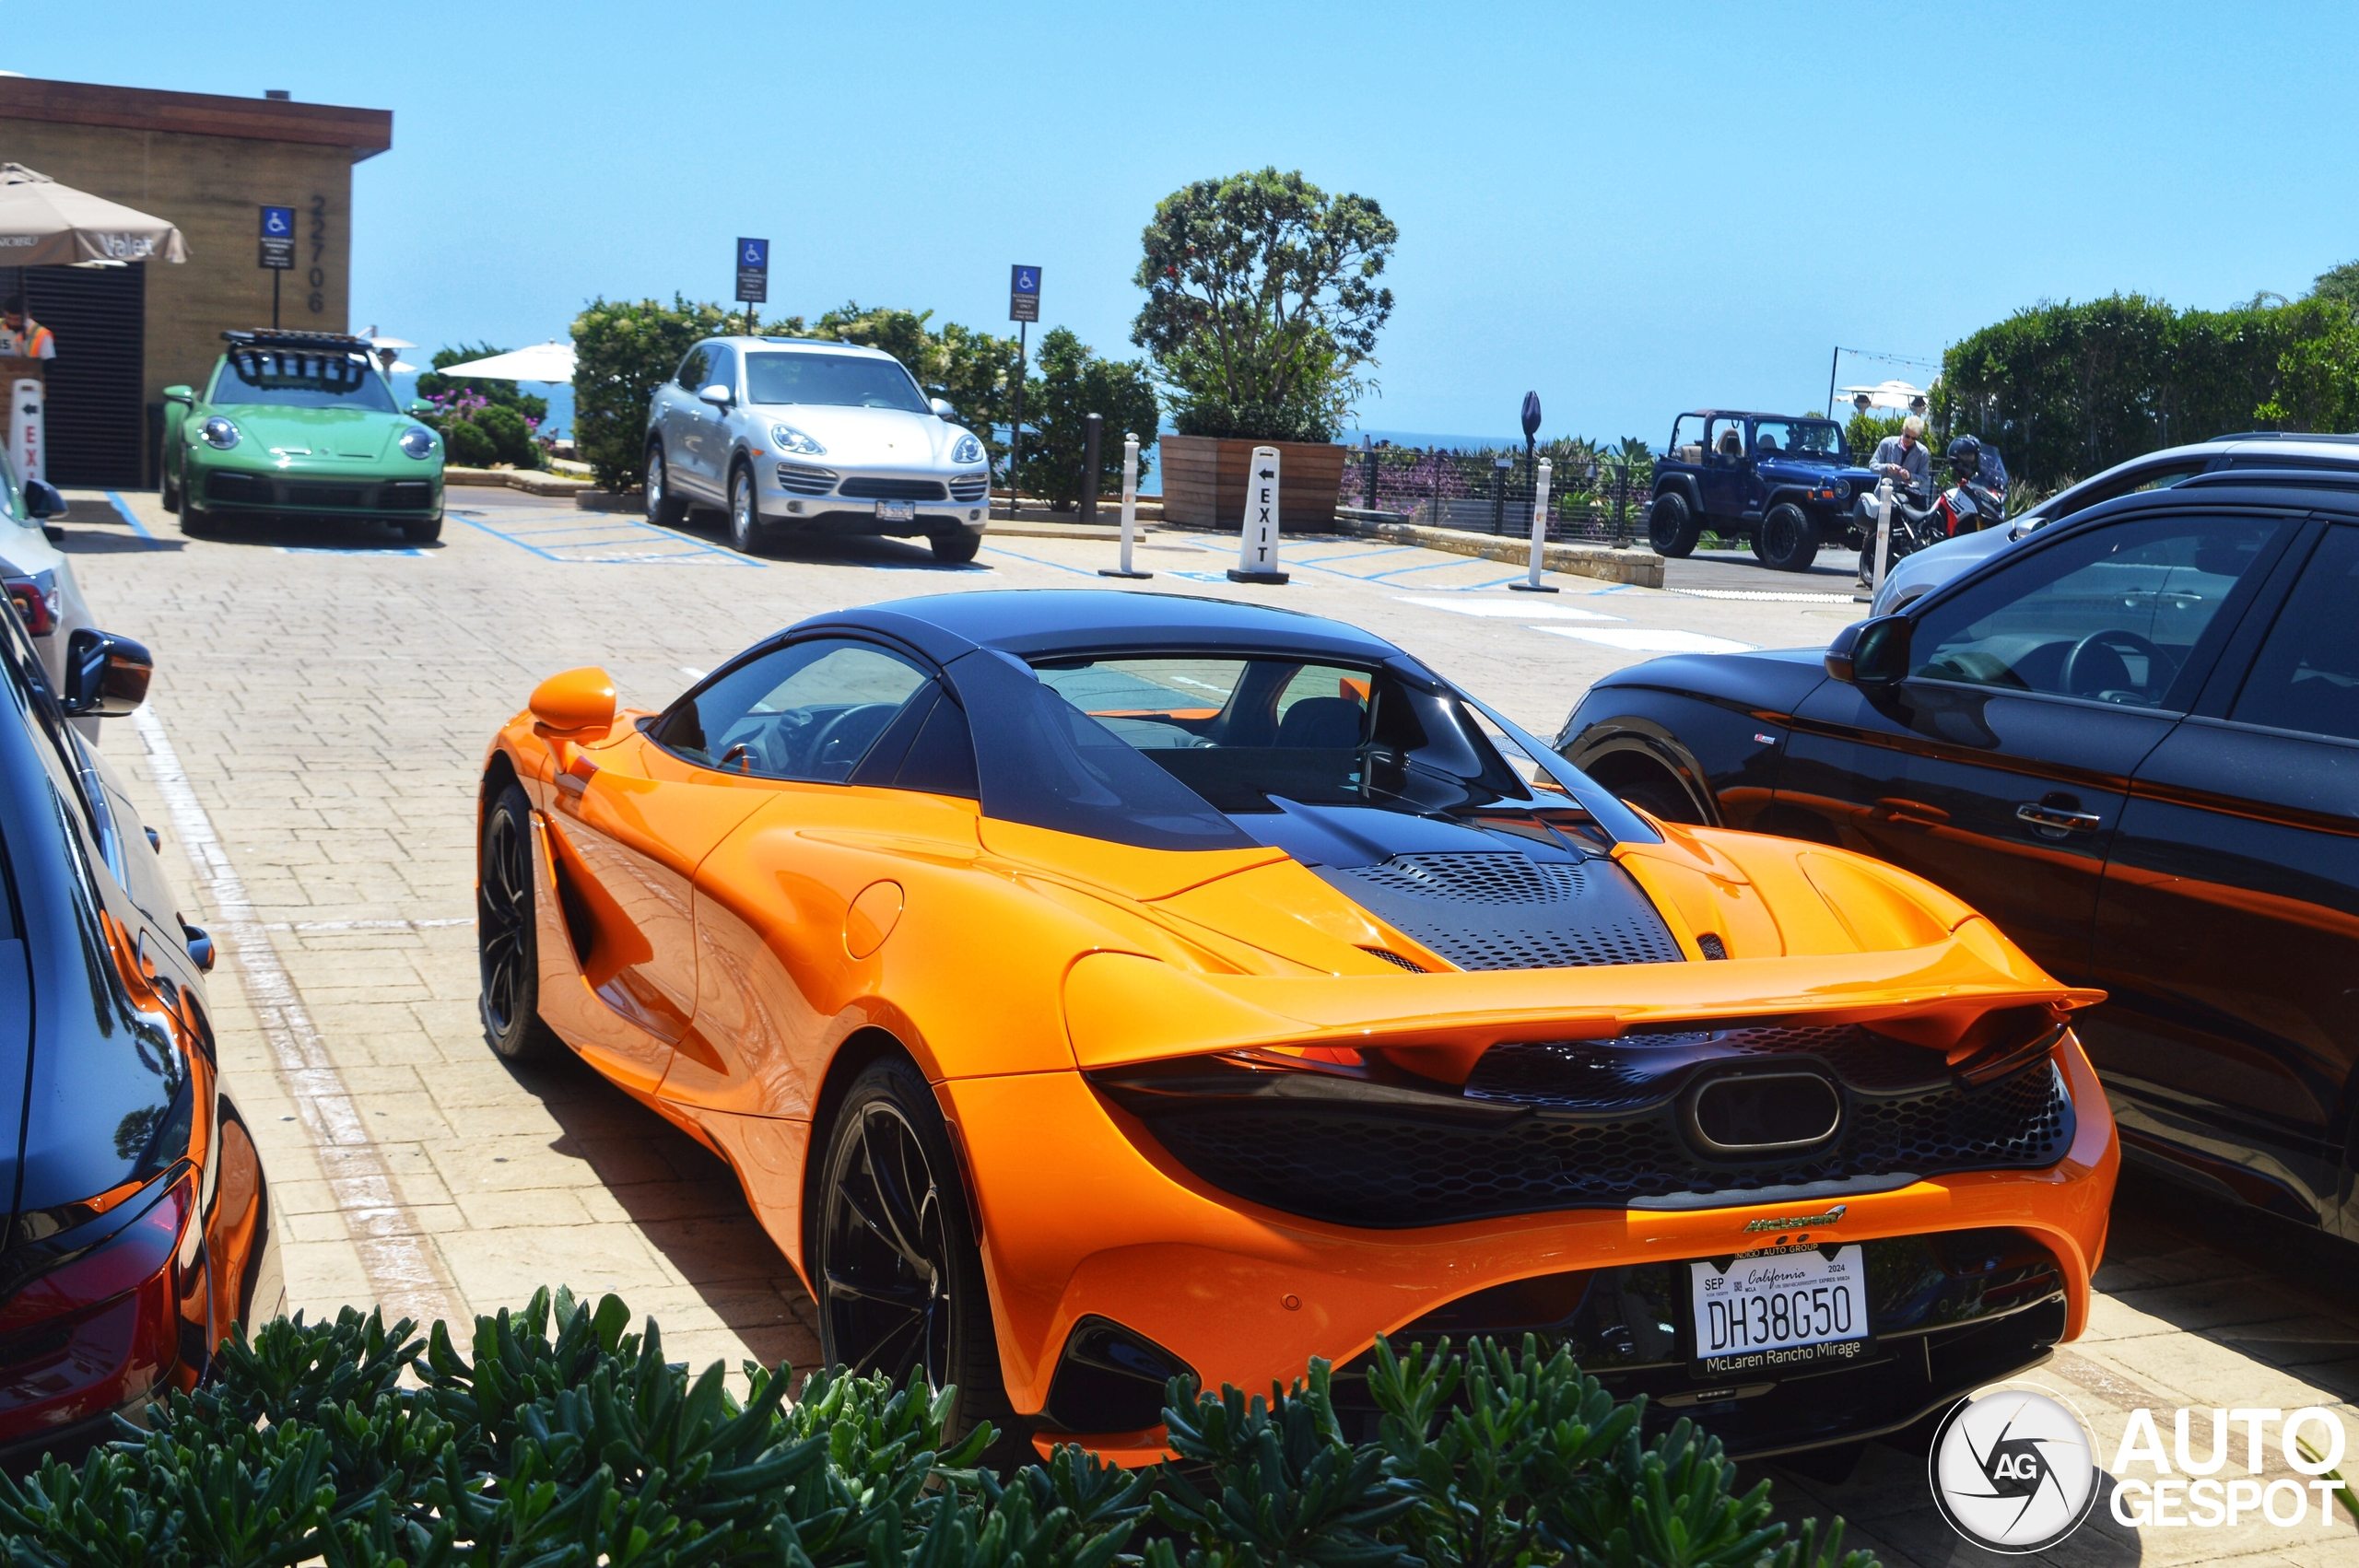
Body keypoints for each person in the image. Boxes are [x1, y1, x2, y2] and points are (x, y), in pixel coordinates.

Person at [1870, 415, 1931, 496]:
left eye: (1914, 438)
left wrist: (1909, 477)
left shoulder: (1923, 452)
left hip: (1907, 499)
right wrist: (1887, 468)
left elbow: (1924, 478)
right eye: (1907, 436)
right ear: (1902, 430)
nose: (1910, 440)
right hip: (1883, 496)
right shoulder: (1887, 443)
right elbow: (1872, 466)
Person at [0, 296, 54, 361]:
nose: (12, 323)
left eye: (17, 319)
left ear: (28, 315)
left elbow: (48, 365)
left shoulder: (41, 335)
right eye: (8, 318)